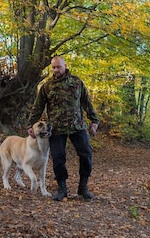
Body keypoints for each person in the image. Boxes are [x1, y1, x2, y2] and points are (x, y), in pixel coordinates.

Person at [27, 56, 100, 201]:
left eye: (58, 67)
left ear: (65, 66)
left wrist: (94, 120)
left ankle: (83, 187)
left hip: (77, 125)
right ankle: (62, 188)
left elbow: (86, 102)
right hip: (57, 128)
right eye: (53, 67)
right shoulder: (47, 86)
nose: (56, 70)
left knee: (86, 153)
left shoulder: (77, 82)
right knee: (58, 158)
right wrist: (31, 124)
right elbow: (38, 106)